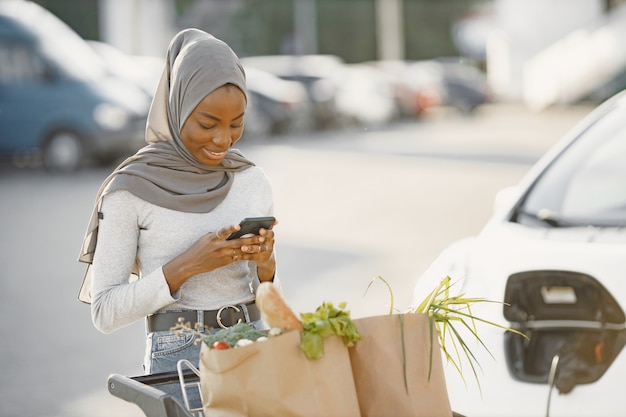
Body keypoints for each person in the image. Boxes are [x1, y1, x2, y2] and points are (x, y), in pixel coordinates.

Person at [77, 28, 277, 378]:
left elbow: (266, 292)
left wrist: (265, 263)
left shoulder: (251, 179)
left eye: (237, 124)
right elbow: (104, 312)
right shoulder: (131, 188)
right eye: (207, 123)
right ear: (177, 105)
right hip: (179, 356)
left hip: (253, 343)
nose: (223, 139)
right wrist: (184, 267)